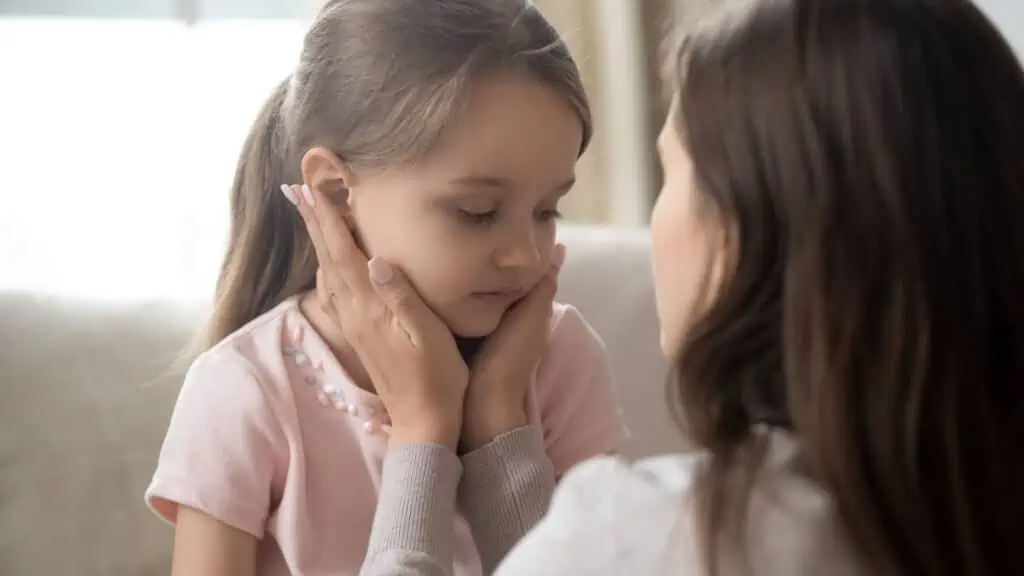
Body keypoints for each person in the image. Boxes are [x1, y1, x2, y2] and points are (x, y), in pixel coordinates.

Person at [297, 0, 1024, 574]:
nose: (526, 253)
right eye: (479, 211)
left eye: (674, 174)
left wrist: (427, 428)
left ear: (741, 230)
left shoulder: (658, 536)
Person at [143, 1, 629, 574]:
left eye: (548, 211)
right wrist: (425, 432)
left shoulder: (558, 360)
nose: (524, 253)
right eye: (477, 211)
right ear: (336, 192)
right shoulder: (245, 390)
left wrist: (500, 422)